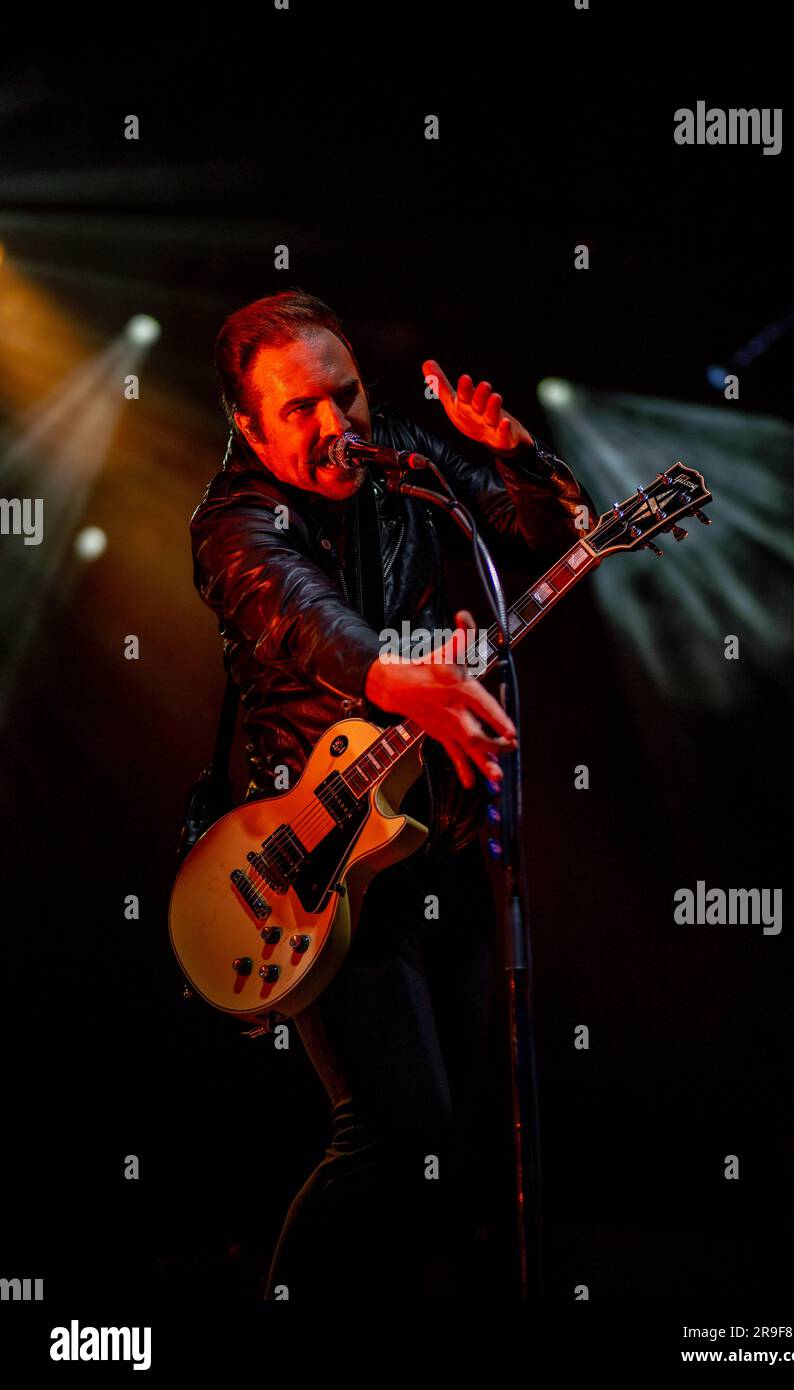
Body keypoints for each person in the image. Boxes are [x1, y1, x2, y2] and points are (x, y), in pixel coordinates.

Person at [190, 288, 598, 1299]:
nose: (336, 427)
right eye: (301, 410)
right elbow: (300, 615)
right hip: (312, 858)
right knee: (391, 1126)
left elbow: (540, 531)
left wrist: (509, 452)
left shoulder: (403, 460)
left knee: (450, 1137)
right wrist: (396, 673)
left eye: (346, 394)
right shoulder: (234, 521)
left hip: (433, 833)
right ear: (246, 424)